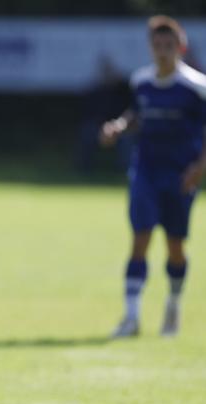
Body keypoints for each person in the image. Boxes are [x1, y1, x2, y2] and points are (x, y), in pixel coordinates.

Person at [100, 15, 206, 337]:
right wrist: (119, 126)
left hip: (180, 175)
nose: (162, 51)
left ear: (180, 47)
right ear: (150, 47)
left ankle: (173, 304)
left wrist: (199, 168)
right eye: (157, 45)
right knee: (140, 239)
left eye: (168, 45)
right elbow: (137, 114)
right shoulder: (141, 81)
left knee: (175, 246)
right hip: (145, 170)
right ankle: (131, 318)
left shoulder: (196, 87)